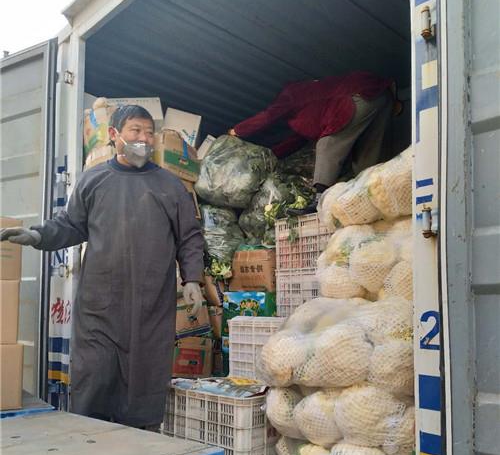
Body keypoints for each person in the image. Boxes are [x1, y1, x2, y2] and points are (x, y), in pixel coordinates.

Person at [0, 105, 204, 430]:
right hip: (100, 308)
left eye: (149, 133)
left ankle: (139, 451)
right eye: (135, 130)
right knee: (94, 379)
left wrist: (192, 278)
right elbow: (70, 225)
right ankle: (89, 443)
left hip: (150, 308)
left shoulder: (169, 185)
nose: (144, 139)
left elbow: (189, 236)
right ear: (114, 134)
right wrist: (37, 235)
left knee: (143, 385)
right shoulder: (94, 180)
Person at [229, 71, 401, 214]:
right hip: (381, 95)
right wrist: (271, 155)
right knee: (367, 157)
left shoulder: (290, 94)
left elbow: (267, 116)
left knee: (327, 145)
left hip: (358, 94)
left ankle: (319, 199)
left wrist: (236, 131)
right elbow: (296, 140)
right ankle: (376, 200)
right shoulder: (304, 110)